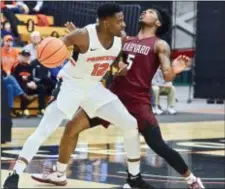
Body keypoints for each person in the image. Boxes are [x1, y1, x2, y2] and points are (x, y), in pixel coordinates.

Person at [31, 8, 204, 189]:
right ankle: (59, 173)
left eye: (151, 12)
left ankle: (191, 180)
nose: (145, 11)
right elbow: (99, 45)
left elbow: (167, 76)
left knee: (158, 145)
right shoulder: (125, 40)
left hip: (138, 101)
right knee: (72, 127)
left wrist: (175, 70)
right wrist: (79, 36)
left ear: (158, 23)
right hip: (112, 98)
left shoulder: (160, 44)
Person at [3, 3, 152, 189]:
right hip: (70, 86)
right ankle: (14, 174)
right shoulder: (83, 35)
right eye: (119, 21)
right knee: (44, 130)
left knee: (130, 123)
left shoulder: (120, 38)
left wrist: (118, 68)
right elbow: (54, 48)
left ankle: (134, 178)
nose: (123, 25)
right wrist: (65, 45)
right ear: (106, 22)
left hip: (93, 88)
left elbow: (113, 62)